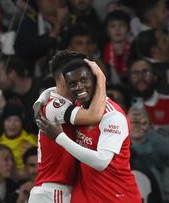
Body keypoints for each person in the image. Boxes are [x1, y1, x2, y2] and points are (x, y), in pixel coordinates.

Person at [36, 58, 141, 203]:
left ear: (96, 79)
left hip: (117, 196)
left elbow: (101, 162)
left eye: (84, 80)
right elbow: (57, 90)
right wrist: (41, 99)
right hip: (86, 194)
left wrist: (60, 138)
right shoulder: (77, 107)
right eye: (73, 84)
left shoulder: (112, 116)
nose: (79, 87)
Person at [29, 51, 106, 203]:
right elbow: (94, 115)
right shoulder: (55, 107)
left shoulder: (52, 100)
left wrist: (39, 99)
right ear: (67, 77)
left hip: (53, 190)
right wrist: (102, 79)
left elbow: (51, 90)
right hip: (54, 191)